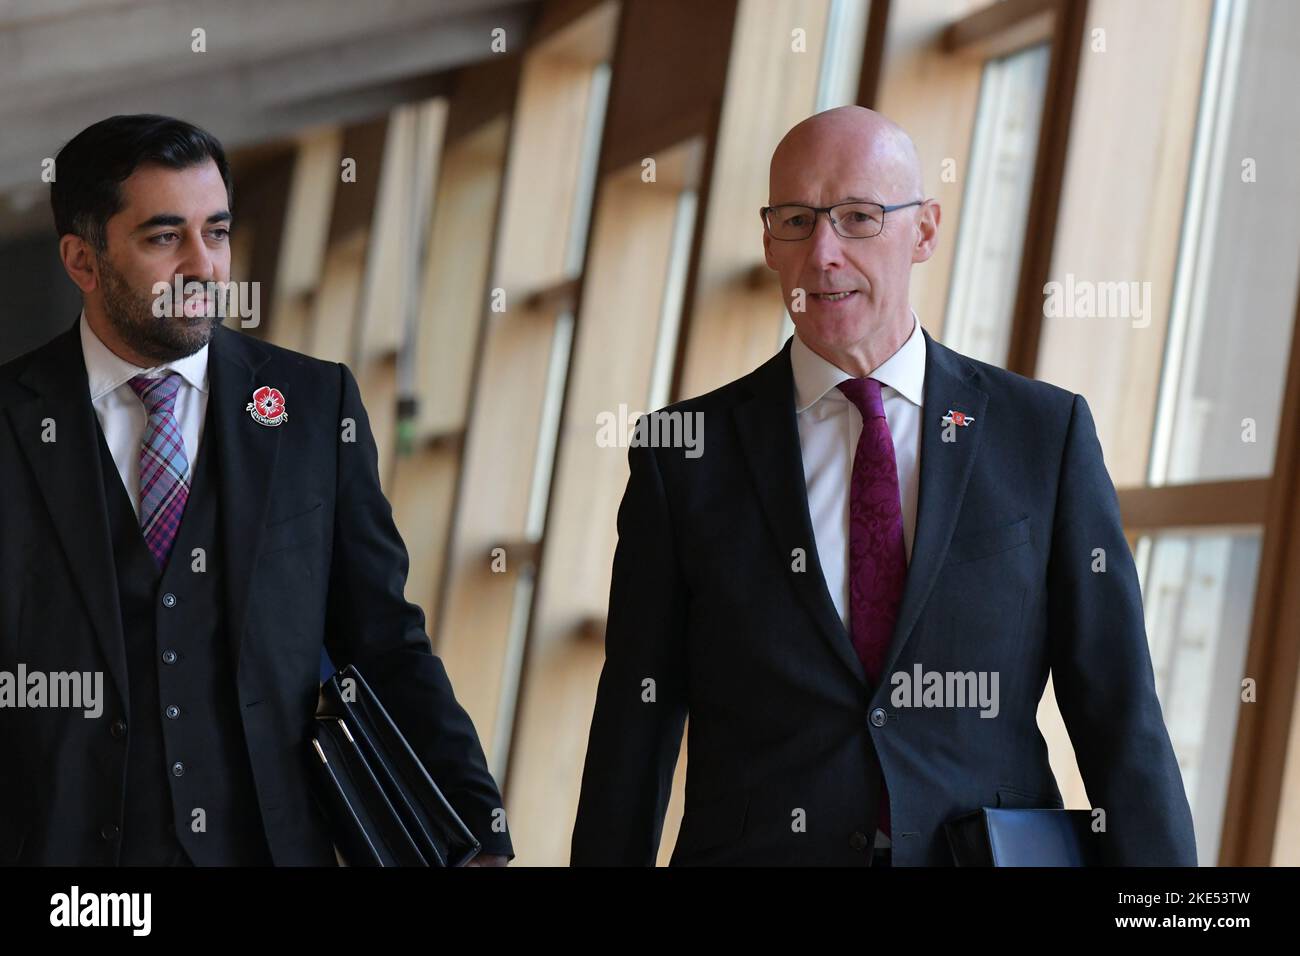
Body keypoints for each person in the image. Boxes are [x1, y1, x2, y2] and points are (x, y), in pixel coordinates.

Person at [570, 105, 1196, 867]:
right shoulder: (683, 456)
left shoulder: (1044, 436)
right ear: (769, 241)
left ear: (925, 231)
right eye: (797, 220)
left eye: (859, 218)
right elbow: (634, 728)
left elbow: (1119, 712)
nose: (824, 252)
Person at [0, 114, 511, 866]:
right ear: (82, 259)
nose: (205, 267)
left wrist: (481, 833)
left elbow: (384, 639)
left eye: (218, 231)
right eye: (164, 237)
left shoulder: (312, 405)